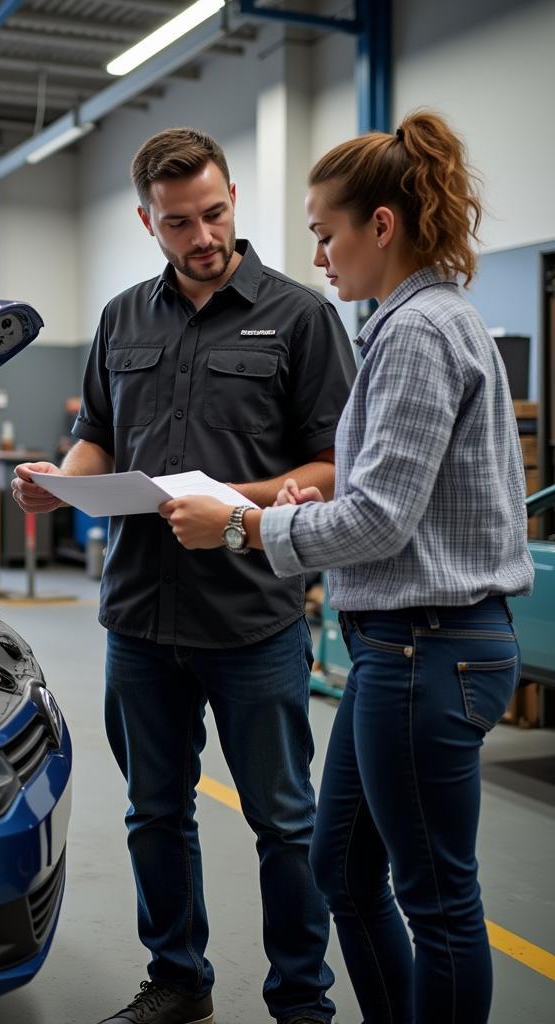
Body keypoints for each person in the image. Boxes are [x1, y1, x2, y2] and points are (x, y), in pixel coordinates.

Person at [161, 111, 534, 1024]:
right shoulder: (410, 323)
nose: (319, 257)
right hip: (399, 651)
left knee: (437, 900)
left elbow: (376, 520)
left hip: (426, 649)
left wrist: (243, 526)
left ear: (382, 226)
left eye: (326, 234)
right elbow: (388, 504)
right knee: (340, 872)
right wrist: (303, 510)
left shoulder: (416, 334)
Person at [12, 127, 355, 1024]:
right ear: (146, 222)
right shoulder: (123, 318)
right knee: (154, 814)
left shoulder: (302, 316)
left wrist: (230, 506)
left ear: (234, 197)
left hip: (253, 620)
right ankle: (178, 980)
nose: (202, 236)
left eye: (214, 214)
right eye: (178, 223)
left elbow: (331, 469)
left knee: (284, 822)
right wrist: (58, 485)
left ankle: (301, 999)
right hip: (138, 617)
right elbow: (98, 441)